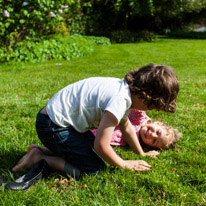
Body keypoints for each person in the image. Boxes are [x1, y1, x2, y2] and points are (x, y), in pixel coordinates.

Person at [12, 64, 179, 178]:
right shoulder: (119, 101)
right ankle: (40, 159)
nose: (149, 111)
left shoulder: (123, 89)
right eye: (153, 107)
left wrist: (141, 153)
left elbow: (126, 127)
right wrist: (125, 164)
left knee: (88, 150)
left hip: (55, 121)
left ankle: (39, 150)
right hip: (54, 126)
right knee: (95, 168)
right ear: (146, 98)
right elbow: (102, 145)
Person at [92, 109, 181, 153]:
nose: (152, 135)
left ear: (149, 146)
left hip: (97, 133)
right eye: (157, 132)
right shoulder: (140, 118)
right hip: (102, 116)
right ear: (158, 123)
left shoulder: (139, 143)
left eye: (154, 141)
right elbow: (137, 104)